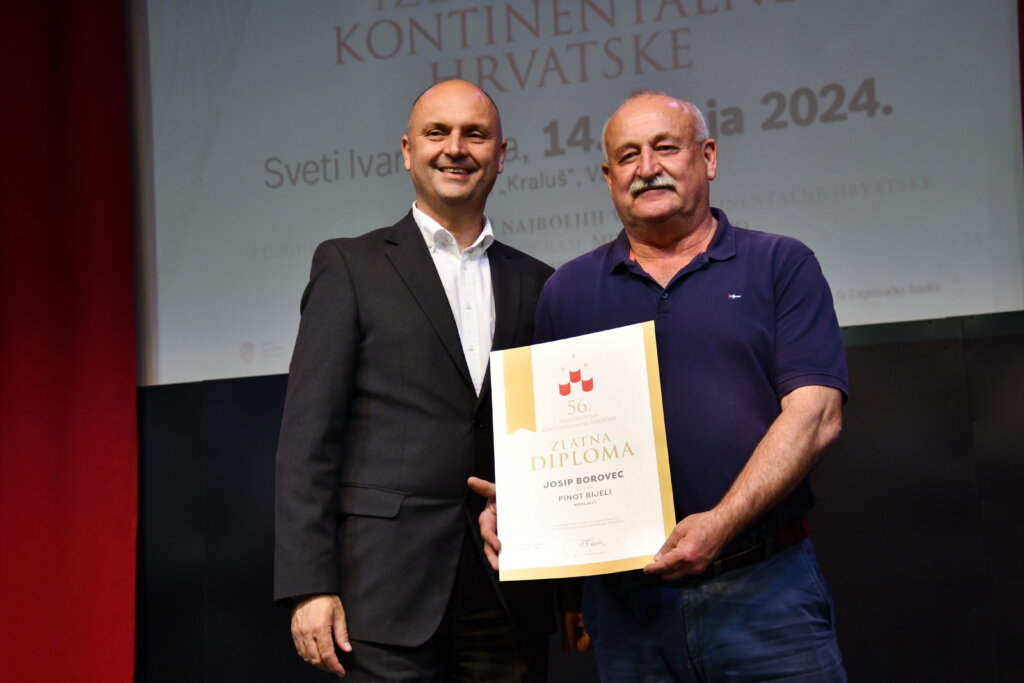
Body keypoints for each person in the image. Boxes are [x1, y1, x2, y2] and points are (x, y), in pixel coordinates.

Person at [472, 90, 849, 680]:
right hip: (627, 611)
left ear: (708, 157)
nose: (647, 168)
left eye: (665, 148)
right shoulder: (568, 292)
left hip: (764, 590)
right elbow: (545, 435)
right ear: (608, 177)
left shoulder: (780, 265)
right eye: (628, 156)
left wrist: (720, 524)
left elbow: (817, 414)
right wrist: (523, 505)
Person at [274, 80, 555, 681]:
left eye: (475, 134)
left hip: (508, 587)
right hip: (380, 592)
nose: (455, 148)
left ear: (501, 155)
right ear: (407, 151)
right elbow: (307, 439)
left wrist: (574, 586)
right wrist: (308, 583)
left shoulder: (539, 283)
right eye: (436, 133)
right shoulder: (350, 266)